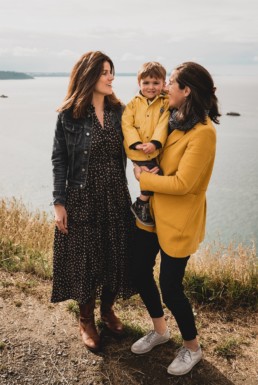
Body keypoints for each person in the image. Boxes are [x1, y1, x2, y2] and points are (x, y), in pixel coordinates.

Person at [131, 62, 220, 376]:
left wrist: (145, 180)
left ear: (187, 91)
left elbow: (184, 184)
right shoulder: (172, 118)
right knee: (139, 270)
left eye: (171, 83)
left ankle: (192, 348)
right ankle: (160, 330)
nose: (165, 87)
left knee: (170, 288)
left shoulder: (204, 133)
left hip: (179, 221)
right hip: (153, 213)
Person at [51, 51, 136, 352]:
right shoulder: (69, 115)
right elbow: (59, 159)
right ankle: (86, 319)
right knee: (86, 260)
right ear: (88, 76)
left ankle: (107, 310)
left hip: (115, 194)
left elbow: (144, 136)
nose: (111, 76)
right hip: (82, 196)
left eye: (112, 71)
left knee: (115, 254)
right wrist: (59, 203)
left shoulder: (121, 112)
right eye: (104, 72)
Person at [122, 62, 170, 226]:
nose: (151, 87)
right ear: (139, 83)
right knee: (155, 176)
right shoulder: (133, 104)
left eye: (156, 83)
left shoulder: (165, 102)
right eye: (146, 83)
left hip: (153, 149)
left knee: (156, 175)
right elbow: (126, 125)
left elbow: (163, 124)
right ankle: (141, 203)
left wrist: (155, 143)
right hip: (138, 151)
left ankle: (146, 205)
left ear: (164, 84)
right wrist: (136, 144)